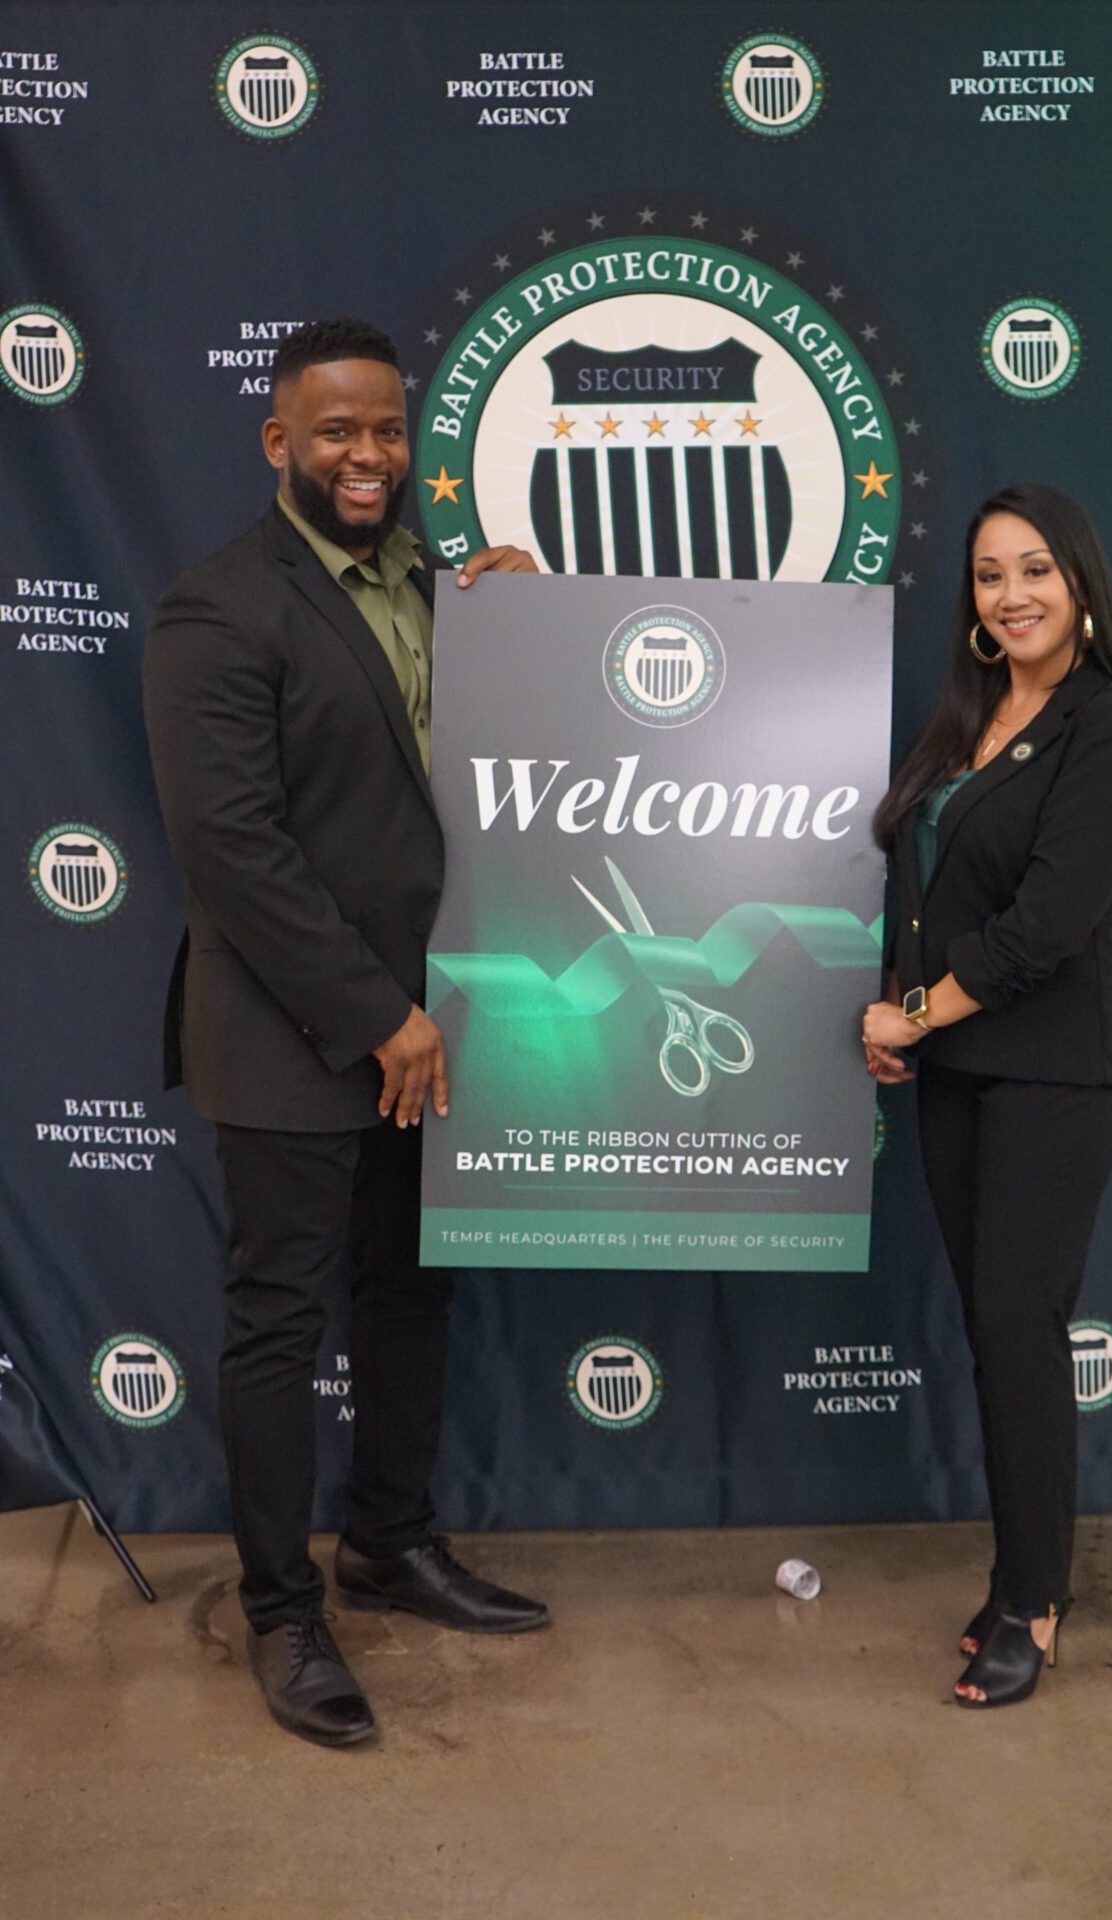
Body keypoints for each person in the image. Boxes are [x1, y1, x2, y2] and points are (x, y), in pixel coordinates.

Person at [144, 318, 547, 1748]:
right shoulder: (215, 609)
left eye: (385, 429)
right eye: (335, 432)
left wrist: (516, 621)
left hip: (433, 1026)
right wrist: (378, 1018)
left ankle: (389, 1541)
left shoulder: (435, 586)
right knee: (279, 1324)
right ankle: (281, 1610)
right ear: (280, 443)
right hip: (294, 1035)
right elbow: (232, 851)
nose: (366, 454)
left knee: (412, 1293)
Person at [862, 483, 1112, 1709]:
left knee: (1017, 1328)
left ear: (1078, 584)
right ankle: (1010, 1580)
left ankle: (1033, 1605)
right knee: (993, 1332)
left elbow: (1042, 927)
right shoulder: (967, 718)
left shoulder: (1109, 734)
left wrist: (918, 1011)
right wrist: (901, 1011)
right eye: (989, 575)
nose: (1011, 594)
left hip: (1054, 1068)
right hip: (958, 1070)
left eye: (1034, 569)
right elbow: (927, 890)